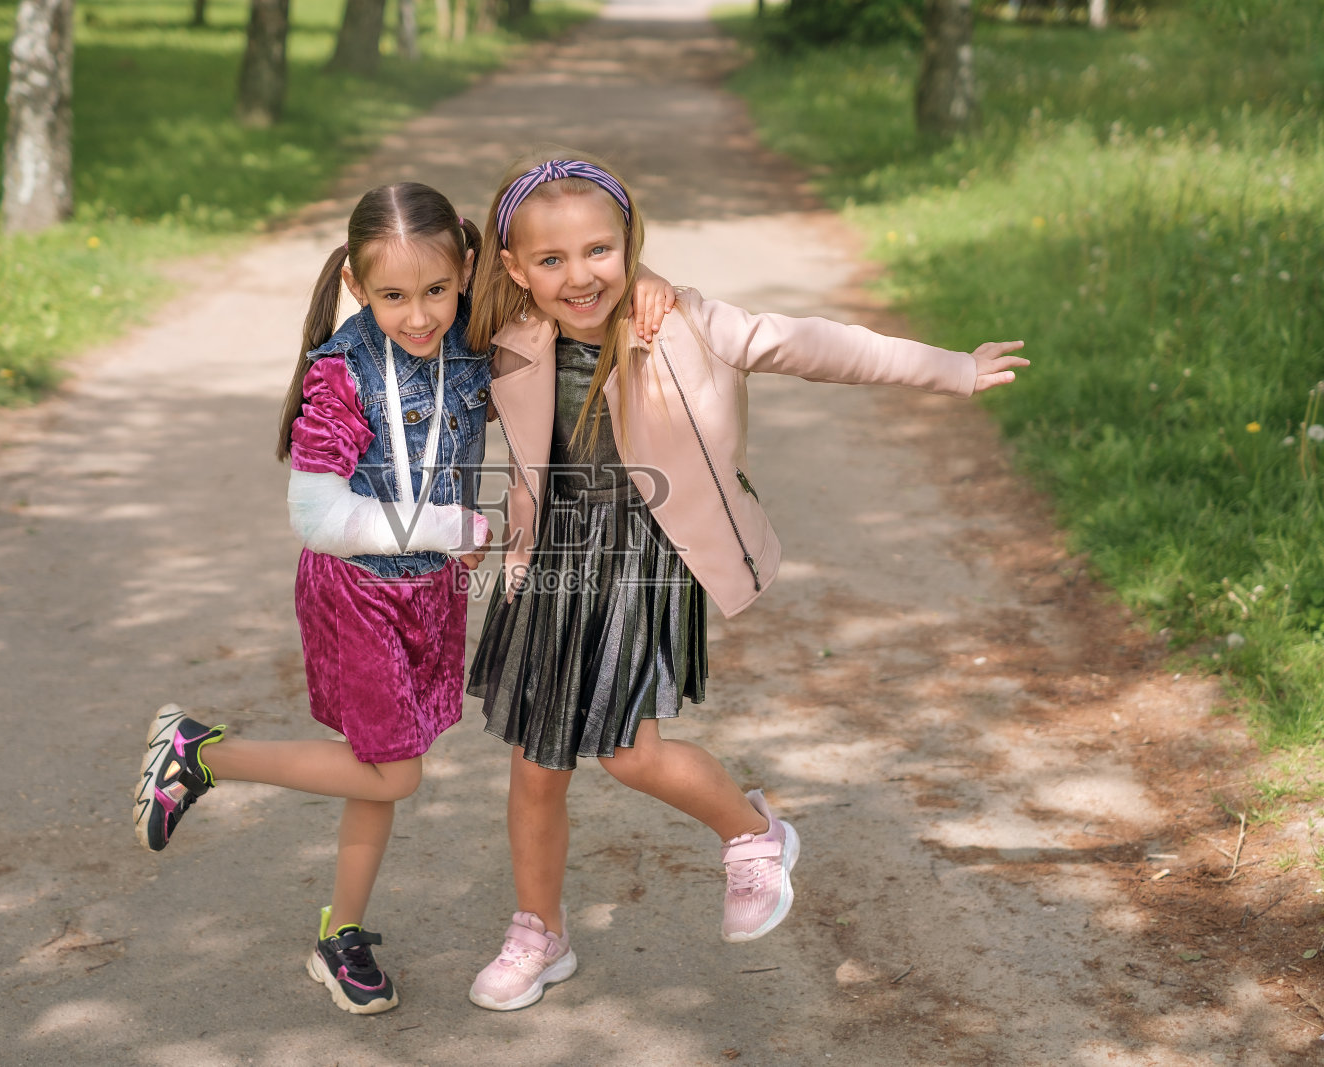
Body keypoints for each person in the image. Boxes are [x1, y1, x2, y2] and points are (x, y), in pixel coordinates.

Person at [463, 152, 1029, 1011]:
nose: (579, 276)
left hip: (645, 566)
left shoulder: (685, 324)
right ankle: (540, 930)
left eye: (601, 252)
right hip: (548, 567)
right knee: (536, 765)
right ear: (515, 269)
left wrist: (948, 367)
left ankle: (754, 833)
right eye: (551, 261)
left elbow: (814, 344)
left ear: (629, 243)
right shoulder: (507, 332)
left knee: (626, 750)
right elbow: (420, 286)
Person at [130, 181, 676, 1015]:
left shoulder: (470, 335)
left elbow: (559, 282)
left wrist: (650, 285)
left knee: (372, 764)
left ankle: (339, 932)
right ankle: (201, 754)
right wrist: (448, 522)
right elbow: (316, 515)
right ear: (356, 283)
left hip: (431, 594)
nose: (419, 315)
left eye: (435, 291)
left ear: (463, 273)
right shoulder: (340, 376)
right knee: (393, 773)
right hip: (358, 594)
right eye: (392, 296)